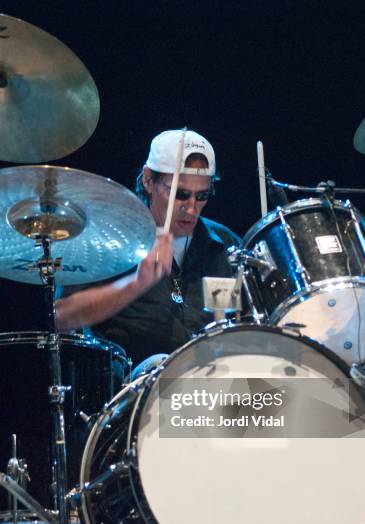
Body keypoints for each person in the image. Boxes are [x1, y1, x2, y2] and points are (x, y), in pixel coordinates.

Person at [57, 129, 240, 368]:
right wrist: (135, 284)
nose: (192, 208)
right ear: (148, 180)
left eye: (202, 195)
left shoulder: (224, 245)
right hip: (132, 391)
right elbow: (61, 317)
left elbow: (244, 321)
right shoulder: (106, 238)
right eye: (180, 194)